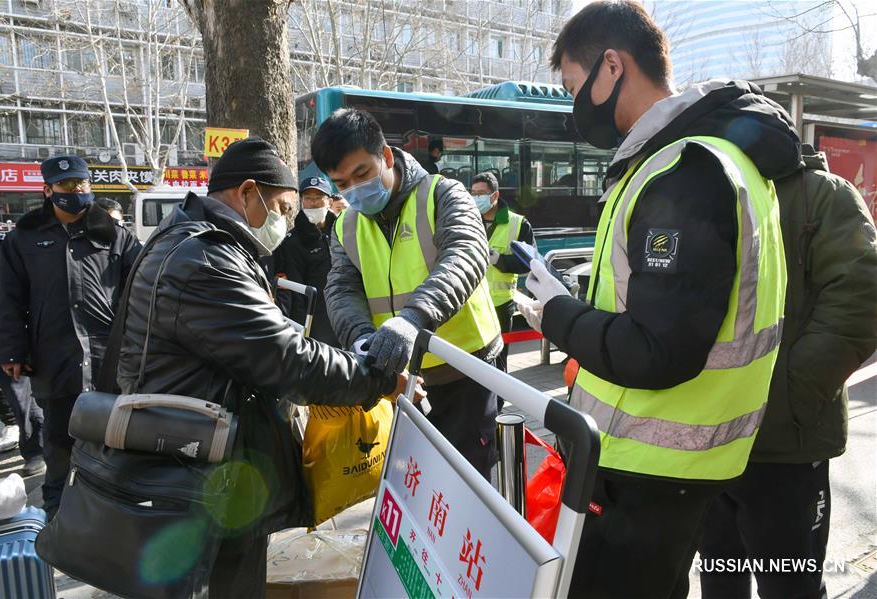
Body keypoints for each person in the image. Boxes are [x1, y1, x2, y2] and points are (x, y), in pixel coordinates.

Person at [523, 2, 798, 596]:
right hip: (672, 465)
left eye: (574, 87)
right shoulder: (704, 161)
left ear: (612, 66)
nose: (576, 109)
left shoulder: (684, 172)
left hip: (647, 468)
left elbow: (656, 349)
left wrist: (556, 316)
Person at [115, 137, 414, 598]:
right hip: (198, 471)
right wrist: (377, 379)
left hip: (193, 456)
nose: (287, 221)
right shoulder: (206, 259)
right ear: (248, 192)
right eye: (284, 207)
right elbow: (286, 359)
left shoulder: (188, 239)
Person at [699, 145, 877, 599]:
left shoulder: (823, 194)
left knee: (790, 586)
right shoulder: (708, 190)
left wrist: (791, 394)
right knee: (720, 579)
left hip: (789, 448)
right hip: (709, 442)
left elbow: (861, 299)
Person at [313, 109, 502, 479]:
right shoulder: (346, 226)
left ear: (385, 156)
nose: (354, 190)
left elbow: (465, 253)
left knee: (471, 491)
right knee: (416, 486)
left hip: (465, 374)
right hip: (400, 383)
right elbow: (340, 287)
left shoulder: (443, 194)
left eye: (362, 174)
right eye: (341, 184)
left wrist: (413, 319)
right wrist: (360, 336)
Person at [0, 155, 142, 518]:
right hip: (53, 355)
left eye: (82, 184)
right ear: (48, 191)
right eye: (67, 186)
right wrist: (12, 351)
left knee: (114, 438)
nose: (77, 192)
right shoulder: (23, 238)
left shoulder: (113, 234)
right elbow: (8, 297)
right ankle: (58, 513)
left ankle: (116, 510)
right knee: (59, 439)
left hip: (109, 355)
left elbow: (139, 289)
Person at [0, 203, 44, 475]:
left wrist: (19, 342)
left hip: (1, 340)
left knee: (21, 401)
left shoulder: (5, 246)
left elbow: (20, 296)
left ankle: (36, 452)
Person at [470, 172, 535, 374]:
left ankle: (496, 404)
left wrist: (500, 260)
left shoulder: (518, 224)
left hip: (500, 305)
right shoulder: (467, 219)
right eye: (473, 193)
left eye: (481, 193)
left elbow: (530, 263)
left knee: (498, 362)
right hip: (470, 304)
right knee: (473, 362)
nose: (475, 198)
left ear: (495, 195)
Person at [274, 176, 341, 345]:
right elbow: (297, 295)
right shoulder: (293, 242)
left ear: (329, 202)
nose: (312, 203)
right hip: (318, 325)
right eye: (308, 199)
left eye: (318, 198)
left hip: (347, 314)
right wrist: (303, 334)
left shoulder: (343, 232)